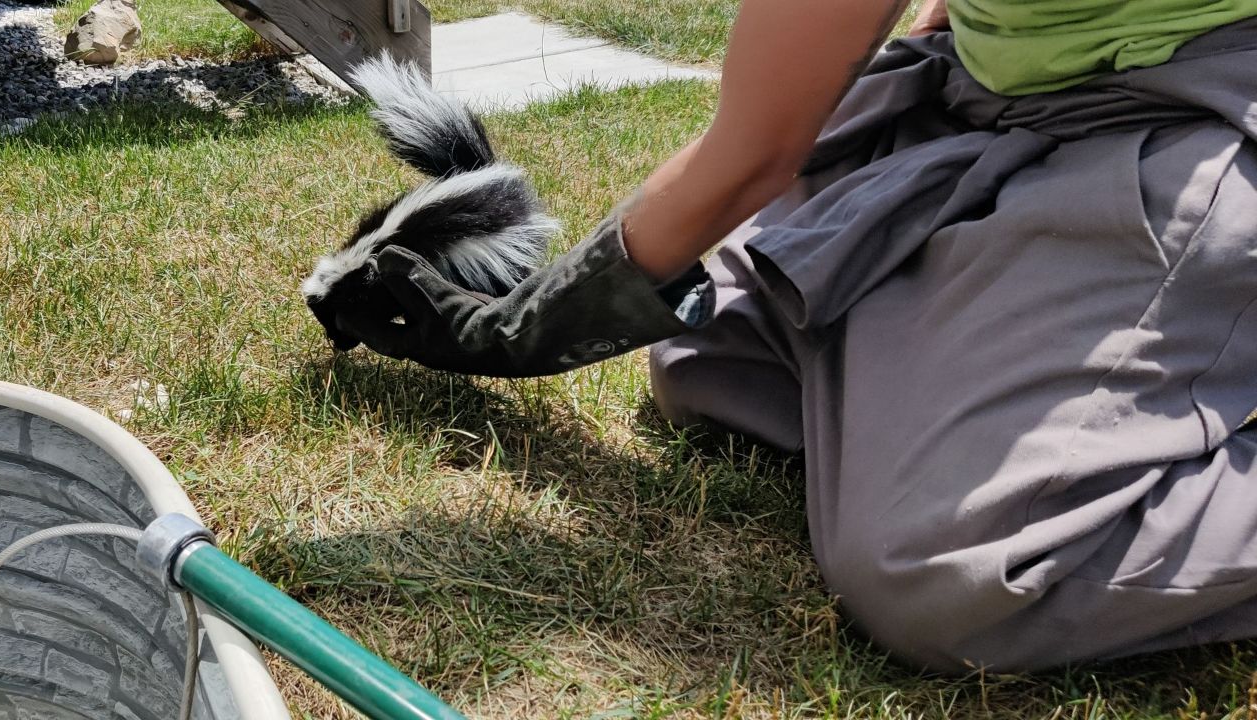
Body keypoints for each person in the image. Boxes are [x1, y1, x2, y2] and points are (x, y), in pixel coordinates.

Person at [328, 0, 1257, 673]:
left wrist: (520, 330)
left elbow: (751, 153)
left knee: (954, 573)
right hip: (987, 94)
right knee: (713, 365)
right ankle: (978, 381)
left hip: (1188, 113)